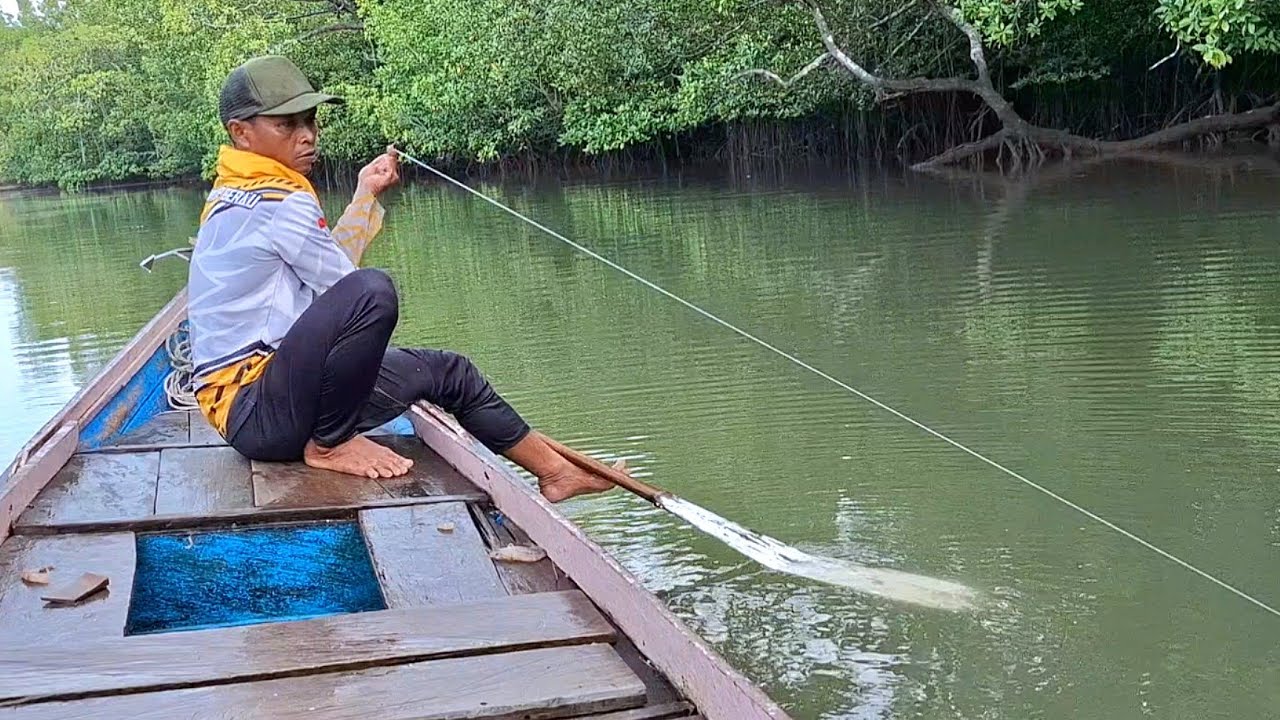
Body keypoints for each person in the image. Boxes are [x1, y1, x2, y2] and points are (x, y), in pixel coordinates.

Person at [187, 55, 617, 502]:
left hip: (266, 408)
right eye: (286, 125)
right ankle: (330, 444)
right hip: (257, 409)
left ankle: (556, 474)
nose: (308, 136)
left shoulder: (235, 186)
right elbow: (348, 290)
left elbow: (328, 273)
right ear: (241, 131)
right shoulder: (281, 199)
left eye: (310, 121)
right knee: (375, 290)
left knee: (450, 372)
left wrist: (364, 196)